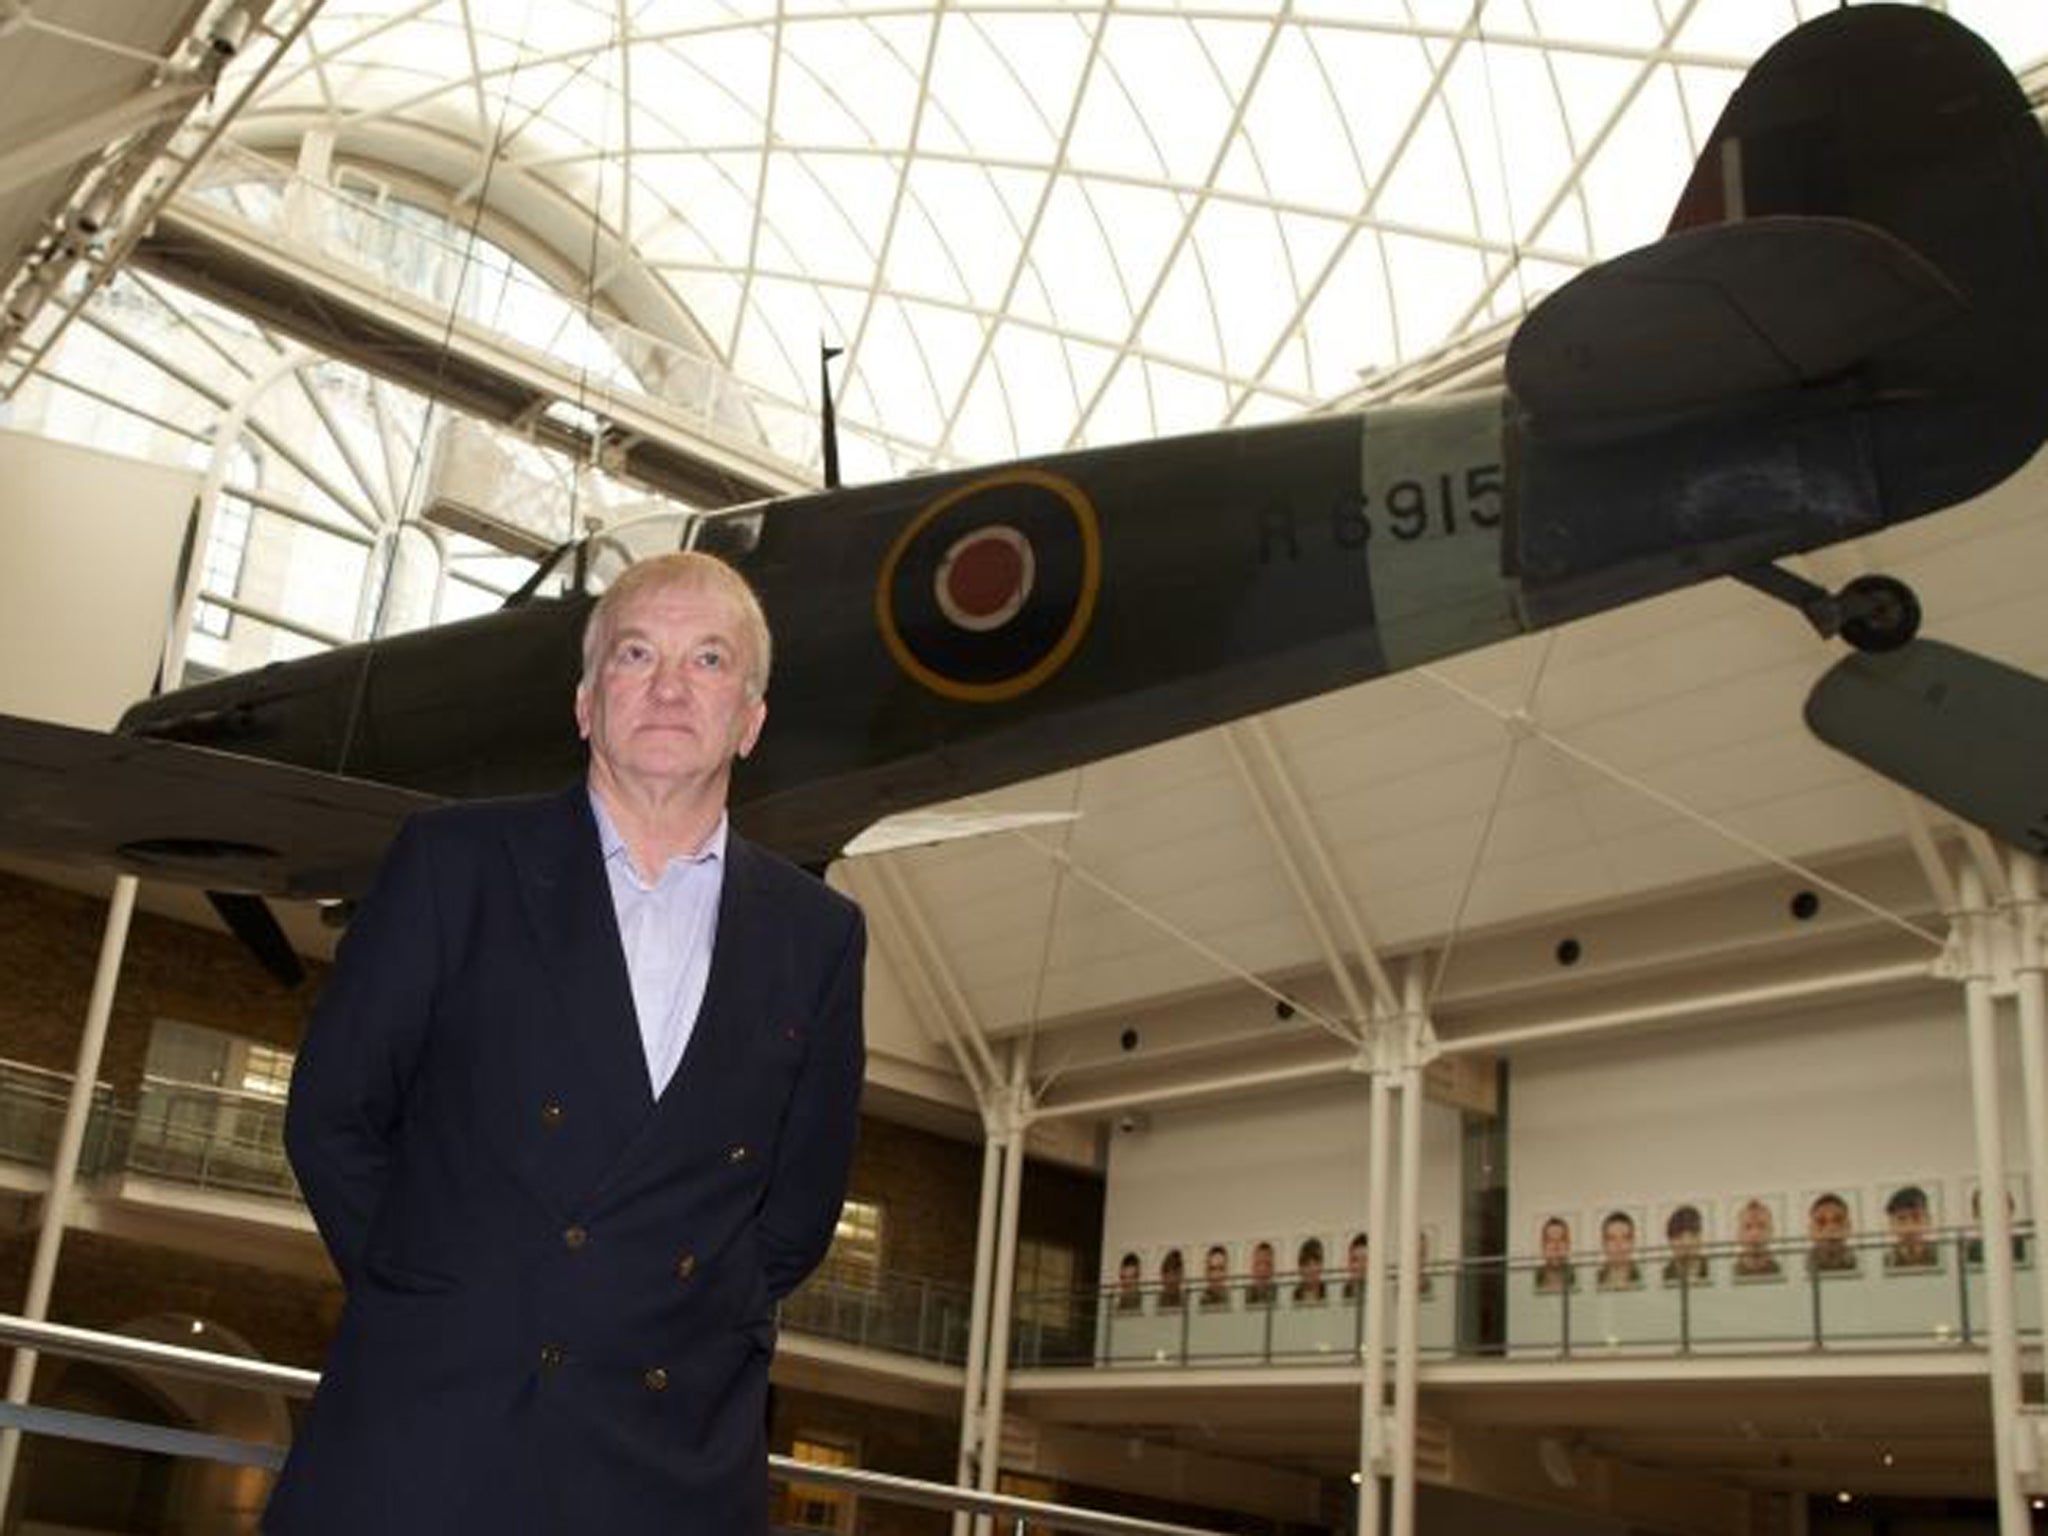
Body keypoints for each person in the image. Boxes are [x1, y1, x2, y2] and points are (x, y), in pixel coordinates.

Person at [269, 553, 868, 1536]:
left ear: (751, 719)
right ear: (587, 702)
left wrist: (673, 1320)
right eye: (637, 653)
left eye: (709, 659)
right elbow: (333, 1115)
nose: (670, 684)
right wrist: (439, 1298)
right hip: (431, 1432)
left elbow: (796, 1207)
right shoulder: (452, 863)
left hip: (667, 1451)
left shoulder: (817, 935)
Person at [1884, 1186, 1937, 1271]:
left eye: (1916, 1217)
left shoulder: (1942, 1258)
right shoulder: (1884, 1264)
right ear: (1891, 1225)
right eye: (1901, 1219)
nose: (1910, 1227)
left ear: (1928, 1221)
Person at [1807, 1192, 1858, 1274]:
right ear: (1810, 1230)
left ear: (1848, 1227)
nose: (1830, 1228)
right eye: (1821, 1222)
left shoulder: (1860, 1263)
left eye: (1838, 1220)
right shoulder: (1801, 1267)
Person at [1732, 1199, 1783, 1280]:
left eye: (1761, 1226)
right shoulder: (1730, 1274)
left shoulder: (1782, 1273)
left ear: (1771, 1231)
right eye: (1748, 1227)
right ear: (1738, 1234)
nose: (1755, 1233)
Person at [1661, 1204, 1709, 1286]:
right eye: (1679, 1237)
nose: (1686, 1243)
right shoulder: (1661, 1278)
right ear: (1670, 1241)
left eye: (1692, 1236)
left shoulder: (1714, 1272)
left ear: (1701, 1238)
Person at [1597, 1210, 1641, 1290]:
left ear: (1633, 1242)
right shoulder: (1594, 1281)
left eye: (1625, 1238)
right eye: (1612, 1238)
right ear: (1603, 1244)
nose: (1619, 1245)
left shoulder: (1644, 1279)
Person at [1534, 1216, 1575, 1295]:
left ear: (1568, 1245)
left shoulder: (1577, 1276)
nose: (1556, 1247)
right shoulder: (1533, 1277)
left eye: (1561, 1240)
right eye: (1550, 1241)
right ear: (1542, 1246)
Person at [1294, 1238, 1326, 1304]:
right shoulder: (1292, 1297)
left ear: (1321, 1266)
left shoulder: (1329, 1294)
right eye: (1306, 1264)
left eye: (1316, 1263)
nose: (1311, 1269)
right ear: (1300, 1268)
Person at [1246, 1240, 1277, 1306]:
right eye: (1258, 1264)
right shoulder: (1246, 1294)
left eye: (1267, 1264)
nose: (1263, 1269)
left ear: (1273, 1268)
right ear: (1252, 1267)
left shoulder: (1278, 1293)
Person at [1201, 1243, 1232, 1308]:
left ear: (1227, 1271)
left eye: (1221, 1269)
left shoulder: (1231, 1299)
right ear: (1206, 1272)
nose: (1217, 1275)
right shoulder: (1201, 1299)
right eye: (1212, 1269)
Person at [1342, 1232, 1368, 1301]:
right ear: (1349, 1263)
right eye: (1355, 1260)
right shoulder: (1342, 1294)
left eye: (1365, 1260)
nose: (1360, 1265)